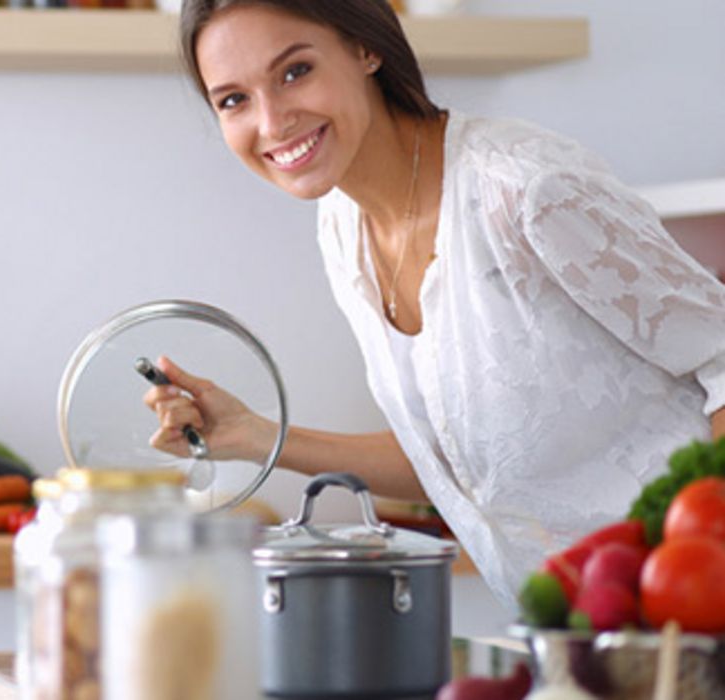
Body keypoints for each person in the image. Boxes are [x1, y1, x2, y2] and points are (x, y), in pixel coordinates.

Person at [143, 0, 725, 609]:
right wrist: (255, 435)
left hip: (686, 610)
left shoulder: (525, 190)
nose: (272, 121)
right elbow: (458, 461)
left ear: (367, 48)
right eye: (233, 99)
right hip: (571, 632)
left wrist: (699, 568)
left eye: (295, 71)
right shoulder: (342, 228)